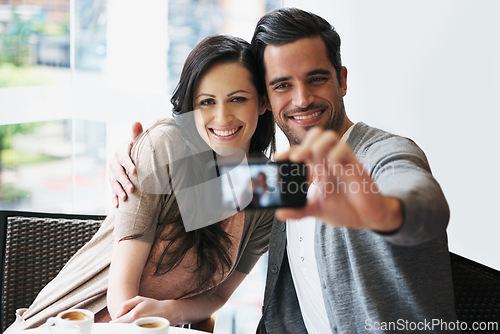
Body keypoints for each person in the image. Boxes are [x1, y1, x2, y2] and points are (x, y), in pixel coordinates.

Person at [109, 8, 458, 334]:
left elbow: (423, 203)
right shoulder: (280, 180)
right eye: (282, 85)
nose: (302, 99)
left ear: (343, 80)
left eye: (317, 79)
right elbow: (187, 187)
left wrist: (384, 211)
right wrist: (133, 155)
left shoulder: (381, 154)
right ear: (265, 99)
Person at [5, 34, 276, 333]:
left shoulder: (266, 187)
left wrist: (172, 310)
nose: (222, 117)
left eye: (238, 98)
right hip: (67, 326)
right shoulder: (167, 147)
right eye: (207, 102)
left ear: (263, 101)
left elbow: (219, 296)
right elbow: (121, 302)